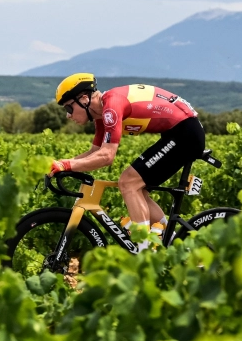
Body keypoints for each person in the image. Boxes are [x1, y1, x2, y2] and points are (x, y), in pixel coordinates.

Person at [49, 73, 204, 245]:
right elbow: (95, 152)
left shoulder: (111, 106)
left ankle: (143, 249)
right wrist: (61, 164)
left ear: (84, 99)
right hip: (179, 132)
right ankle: (171, 242)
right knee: (138, 189)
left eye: (68, 108)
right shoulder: (101, 113)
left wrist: (66, 165)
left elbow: (107, 156)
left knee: (128, 182)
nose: (68, 116)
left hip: (185, 133)